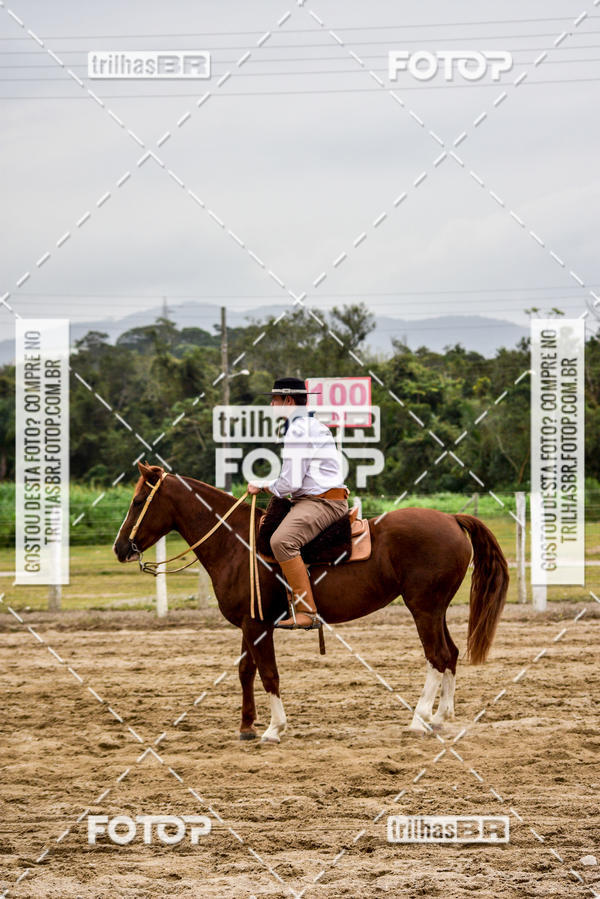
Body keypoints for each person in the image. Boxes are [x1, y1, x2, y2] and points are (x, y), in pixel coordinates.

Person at [247, 377, 349, 629]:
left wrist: (263, 485)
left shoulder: (298, 430)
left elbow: (290, 483)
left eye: (275, 399)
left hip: (322, 502)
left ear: (289, 401)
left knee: (282, 541)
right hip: (317, 498)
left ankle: (307, 611)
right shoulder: (309, 425)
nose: (271, 404)